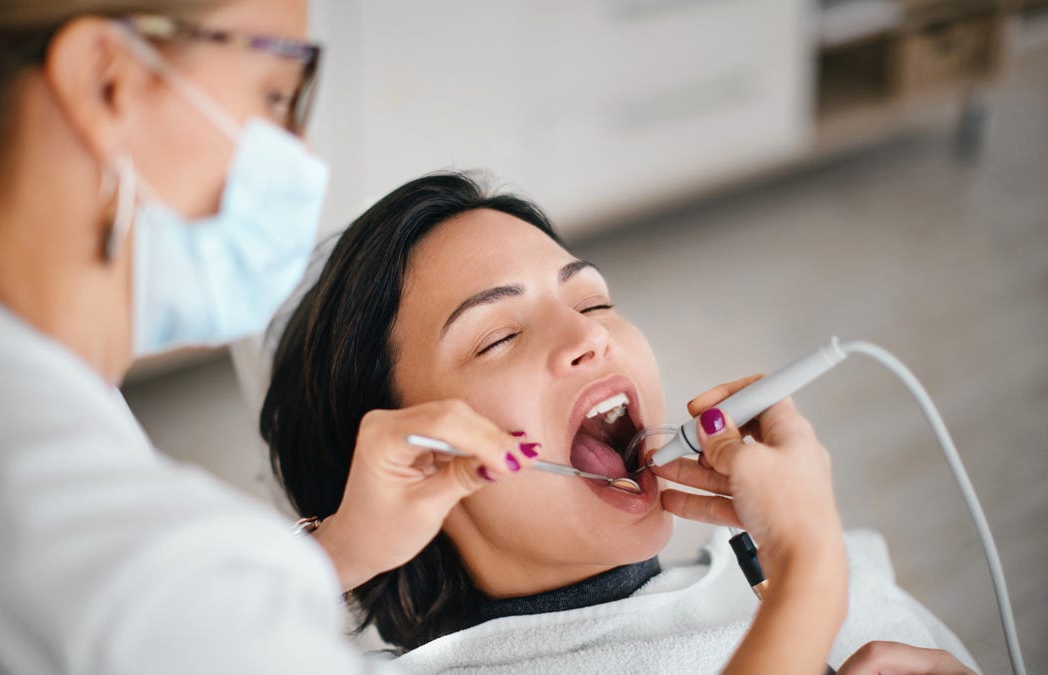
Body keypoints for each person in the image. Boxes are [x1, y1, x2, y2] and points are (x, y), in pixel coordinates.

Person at [0, 2, 542, 672]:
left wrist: (335, 552)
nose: (303, 158)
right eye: (275, 95)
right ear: (105, 80)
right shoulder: (171, 586)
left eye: (595, 300)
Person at [261, 172, 981, 673]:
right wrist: (339, 553)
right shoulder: (810, 572)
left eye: (594, 301)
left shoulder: (801, 574)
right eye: (497, 337)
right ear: (418, 461)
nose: (589, 337)